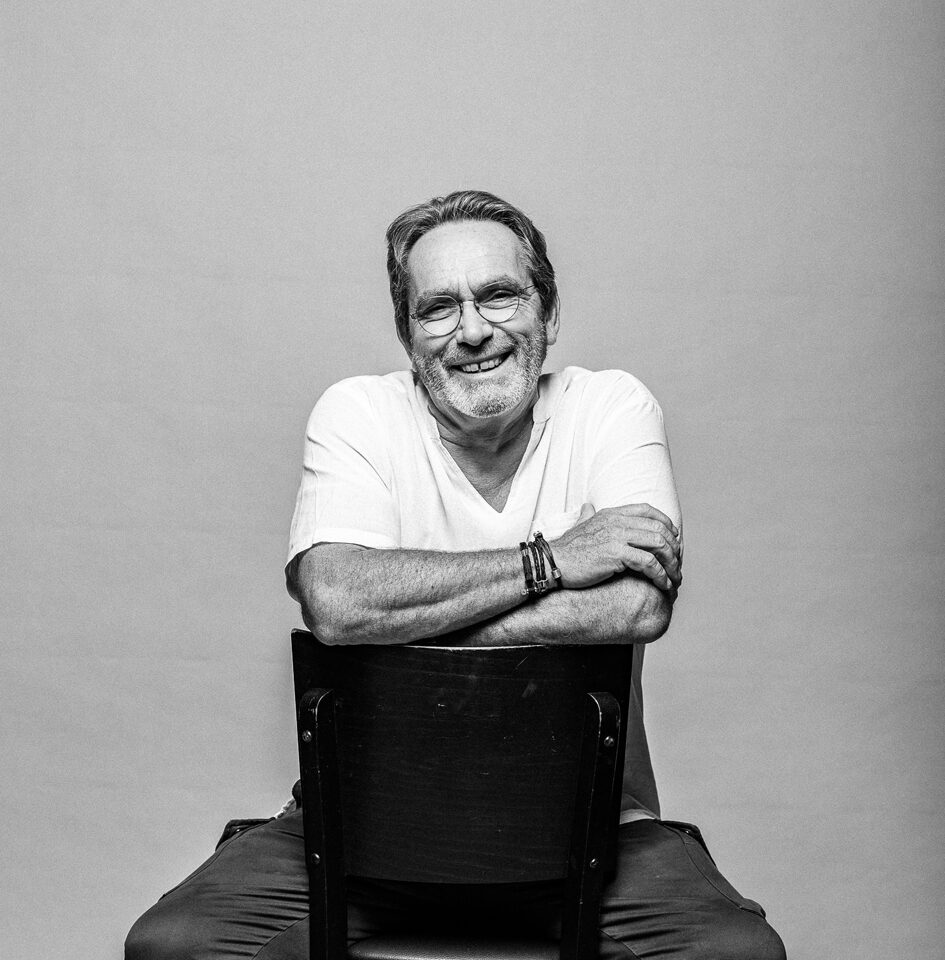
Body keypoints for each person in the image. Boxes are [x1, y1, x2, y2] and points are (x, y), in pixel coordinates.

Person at [126, 190, 785, 960]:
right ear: (408, 335)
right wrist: (552, 560)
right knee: (173, 945)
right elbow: (335, 600)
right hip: (358, 832)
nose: (472, 331)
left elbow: (636, 606)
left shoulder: (610, 407)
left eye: (499, 295)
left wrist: (402, 626)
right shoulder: (358, 414)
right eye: (438, 308)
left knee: (735, 954)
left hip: (593, 838)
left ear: (548, 311)